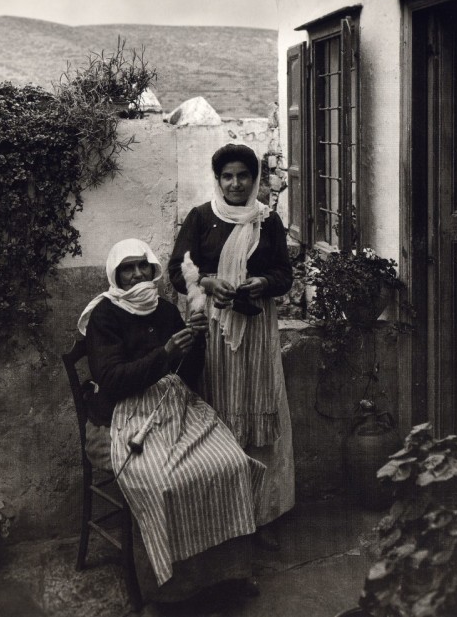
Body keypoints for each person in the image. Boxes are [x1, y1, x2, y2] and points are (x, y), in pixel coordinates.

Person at [78, 238, 265, 609]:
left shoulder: (164, 310)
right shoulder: (104, 316)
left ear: (152, 269)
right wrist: (165, 355)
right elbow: (112, 379)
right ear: (115, 275)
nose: (136, 275)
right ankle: (168, 591)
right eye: (127, 268)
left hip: (173, 407)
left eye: (141, 266)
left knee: (229, 463)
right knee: (161, 481)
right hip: (121, 418)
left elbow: (188, 376)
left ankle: (227, 574)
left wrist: (195, 343)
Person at [168, 143, 295, 551]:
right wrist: (206, 281)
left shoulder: (268, 220)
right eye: (228, 176)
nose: (236, 183)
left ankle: (265, 513)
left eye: (243, 175)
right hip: (215, 333)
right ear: (218, 179)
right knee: (219, 416)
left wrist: (263, 284)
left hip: (257, 333)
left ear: (254, 178)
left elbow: (284, 275)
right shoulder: (202, 218)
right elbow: (175, 269)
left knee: (262, 418)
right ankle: (225, 515)